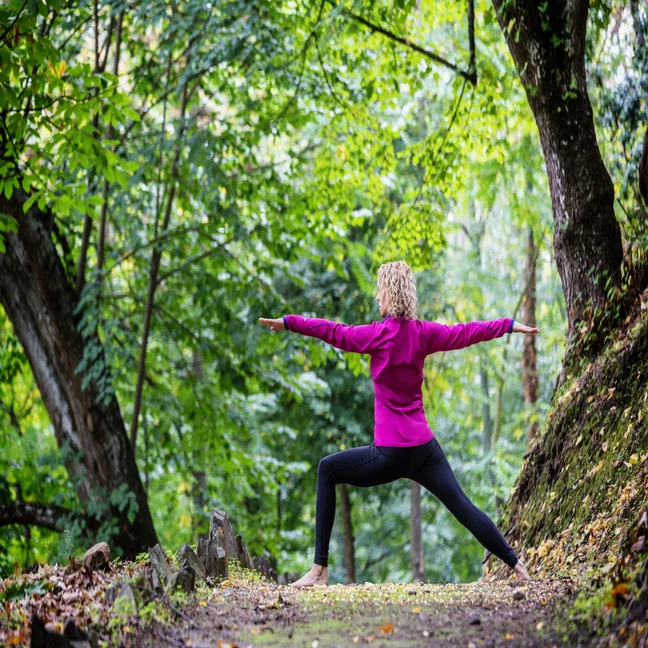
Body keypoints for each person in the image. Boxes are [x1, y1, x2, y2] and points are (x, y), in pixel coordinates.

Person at [259, 261, 537, 586]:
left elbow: (331, 331)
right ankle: (518, 566)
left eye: (380, 292)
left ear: (390, 295)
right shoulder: (424, 333)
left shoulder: (376, 336)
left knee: (327, 469)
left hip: (389, 455)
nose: (377, 298)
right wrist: (508, 324)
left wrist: (289, 323)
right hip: (424, 451)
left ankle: (319, 571)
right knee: (462, 506)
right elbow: (465, 333)